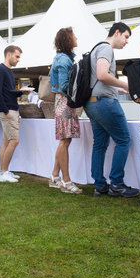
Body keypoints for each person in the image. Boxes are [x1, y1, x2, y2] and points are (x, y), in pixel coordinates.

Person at [83, 22, 139, 198]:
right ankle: (116, 183)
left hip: (92, 102)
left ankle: (100, 185)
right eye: (126, 37)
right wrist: (126, 84)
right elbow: (102, 75)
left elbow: (98, 79)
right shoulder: (106, 48)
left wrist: (119, 89)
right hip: (104, 103)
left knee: (99, 144)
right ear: (117, 33)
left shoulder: (97, 48)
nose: (127, 41)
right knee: (123, 140)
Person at [48, 27, 82, 194]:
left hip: (64, 102)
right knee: (64, 141)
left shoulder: (62, 58)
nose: (76, 38)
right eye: (74, 36)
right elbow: (63, 86)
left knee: (65, 140)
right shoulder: (63, 60)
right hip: (65, 102)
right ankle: (66, 181)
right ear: (68, 40)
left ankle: (55, 176)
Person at [0, 45, 25, 183]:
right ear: (8, 55)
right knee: (14, 140)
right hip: (7, 110)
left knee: (6, 141)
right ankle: (3, 172)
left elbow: (8, 91)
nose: (18, 60)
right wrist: (5, 110)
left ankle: (3, 171)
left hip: (12, 108)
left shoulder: (9, 71)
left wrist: (22, 91)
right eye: (17, 56)